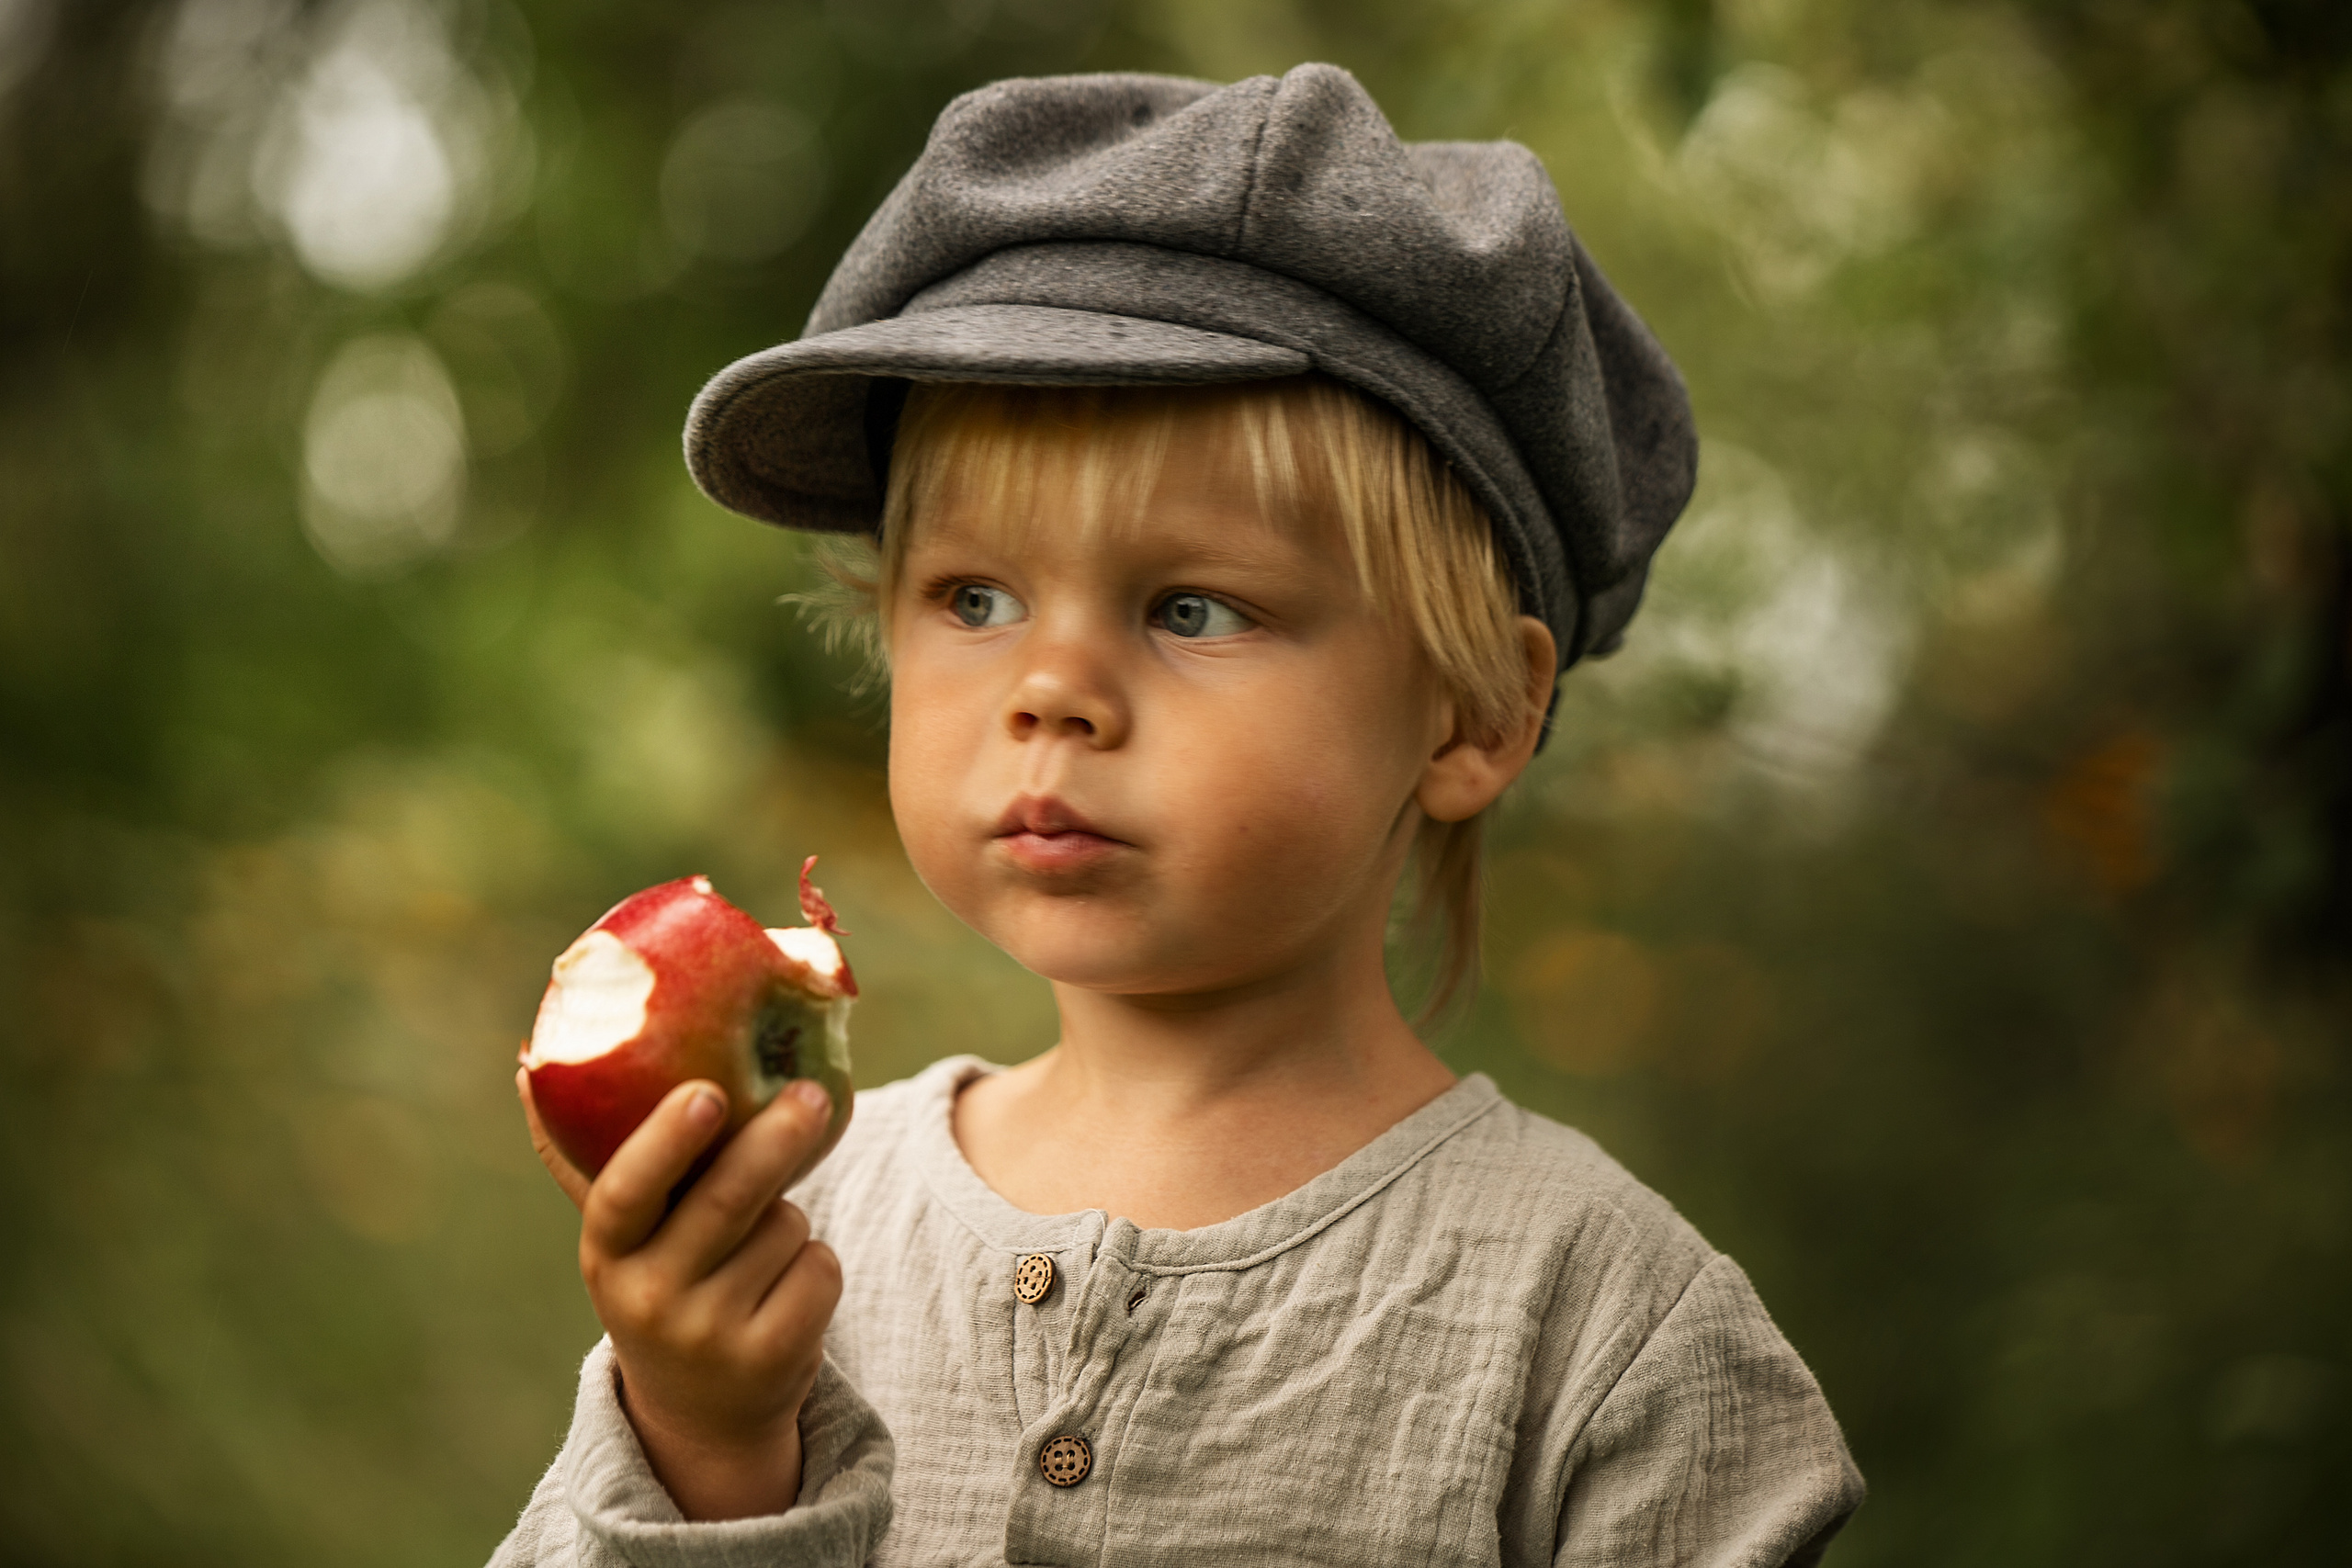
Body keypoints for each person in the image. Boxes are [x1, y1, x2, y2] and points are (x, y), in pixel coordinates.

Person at [492, 64, 1865, 1568]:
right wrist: (708, 1449)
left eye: (1192, 608)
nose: (1052, 690)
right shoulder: (786, 1221)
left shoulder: (1608, 1333)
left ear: (1474, 714)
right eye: (975, 598)